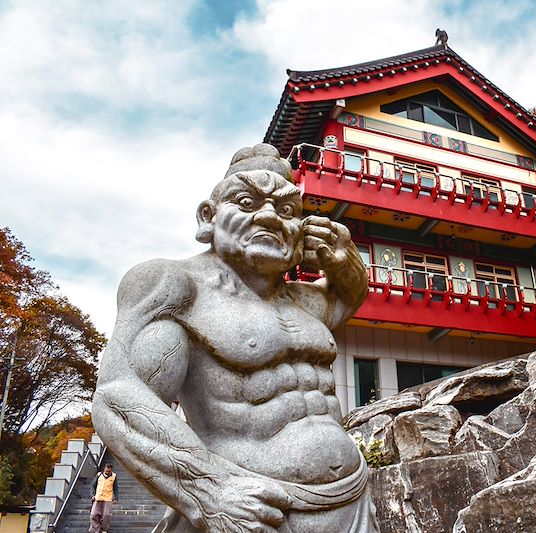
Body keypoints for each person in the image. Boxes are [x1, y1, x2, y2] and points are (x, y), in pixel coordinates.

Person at [92, 143, 376, 532]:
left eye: (288, 210)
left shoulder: (307, 302)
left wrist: (347, 262)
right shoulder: (177, 288)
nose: (271, 217)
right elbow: (119, 392)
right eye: (247, 202)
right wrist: (210, 491)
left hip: (350, 499)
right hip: (248, 508)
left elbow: (348, 296)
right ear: (208, 217)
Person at [89, 463, 118, 533]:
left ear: (111, 470)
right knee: (93, 514)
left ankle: (104, 529)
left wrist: (116, 498)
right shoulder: (99, 475)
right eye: (106, 471)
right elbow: (93, 486)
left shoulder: (114, 476)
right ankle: (96, 529)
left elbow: (115, 488)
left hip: (107, 498)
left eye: (109, 471)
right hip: (98, 497)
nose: (107, 472)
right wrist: (92, 495)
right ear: (104, 469)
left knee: (106, 515)